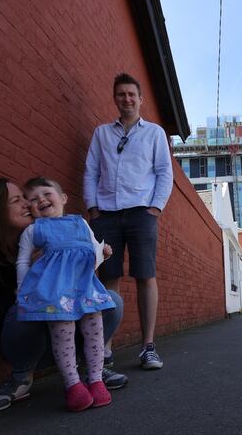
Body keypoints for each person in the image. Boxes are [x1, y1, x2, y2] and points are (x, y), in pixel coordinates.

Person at [0, 178, 127, 414]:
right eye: (18, 199)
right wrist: (33, 283)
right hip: (28, 343)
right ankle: (21, 377)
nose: (29, 203)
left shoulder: (56, 234)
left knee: (110, 300)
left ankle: (91, 369)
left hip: (70, 332)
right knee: (20, 311)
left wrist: (93, 258)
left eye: (26, 197)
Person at [84, 72, 173, 370]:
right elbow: (91, 171)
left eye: (131, 94)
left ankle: (148, 347)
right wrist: (93, 208)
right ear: (115, 99)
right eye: (121, 94)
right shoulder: (101, 133)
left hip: (141, 213)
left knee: (145, 276)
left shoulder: (155, 133)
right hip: (106, 215)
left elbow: (164, 173)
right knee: (108, 278)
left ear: (140, 99)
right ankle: (105, 346)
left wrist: (156, 208)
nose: (127, 99)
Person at [16, 177, 116, 411]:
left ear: (63, 198)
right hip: (54, 293)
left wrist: (104, 254)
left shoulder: (81, 223)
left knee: (94, 330)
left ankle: (96, 380)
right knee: (63, 333)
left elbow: (92, 252)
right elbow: (22, 261)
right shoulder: (33, 230)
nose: (41, 199)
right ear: (30, 208)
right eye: (33, 198)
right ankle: (73, 385)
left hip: (85, 288)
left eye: (46, 193)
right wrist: (21, 291)